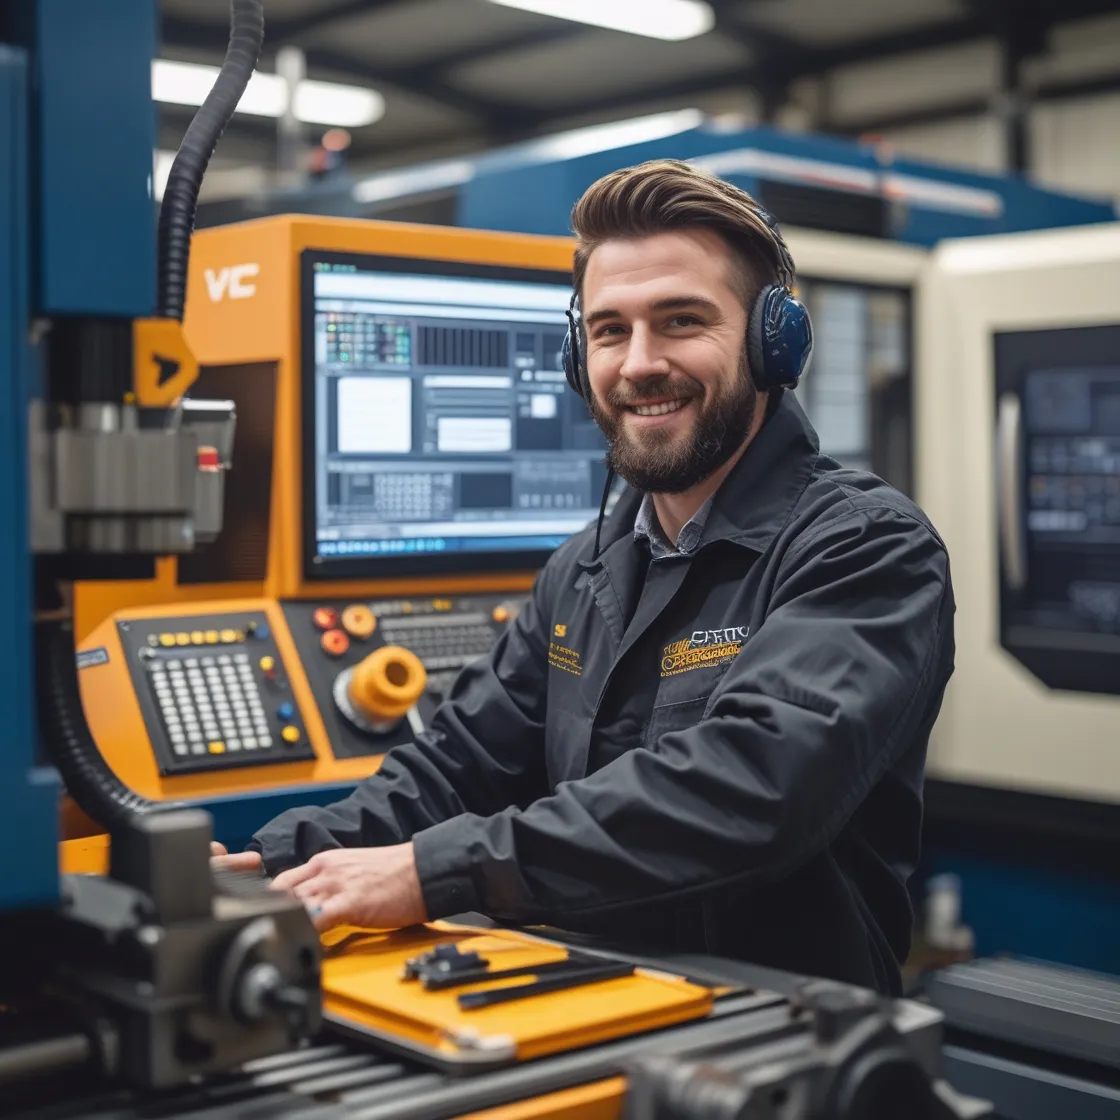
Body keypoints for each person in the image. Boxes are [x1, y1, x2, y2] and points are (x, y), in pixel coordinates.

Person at [214, 159, 954, 995]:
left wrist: (431, 872)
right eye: (609, 330)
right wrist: (269, 862)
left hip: (782, 1040)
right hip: (599, 1007)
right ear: (578, 354)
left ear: (769, 341)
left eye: (680, 321)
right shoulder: (588, 566)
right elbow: (456, 767)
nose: (639, 363)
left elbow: (750, 789)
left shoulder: (865, 547)